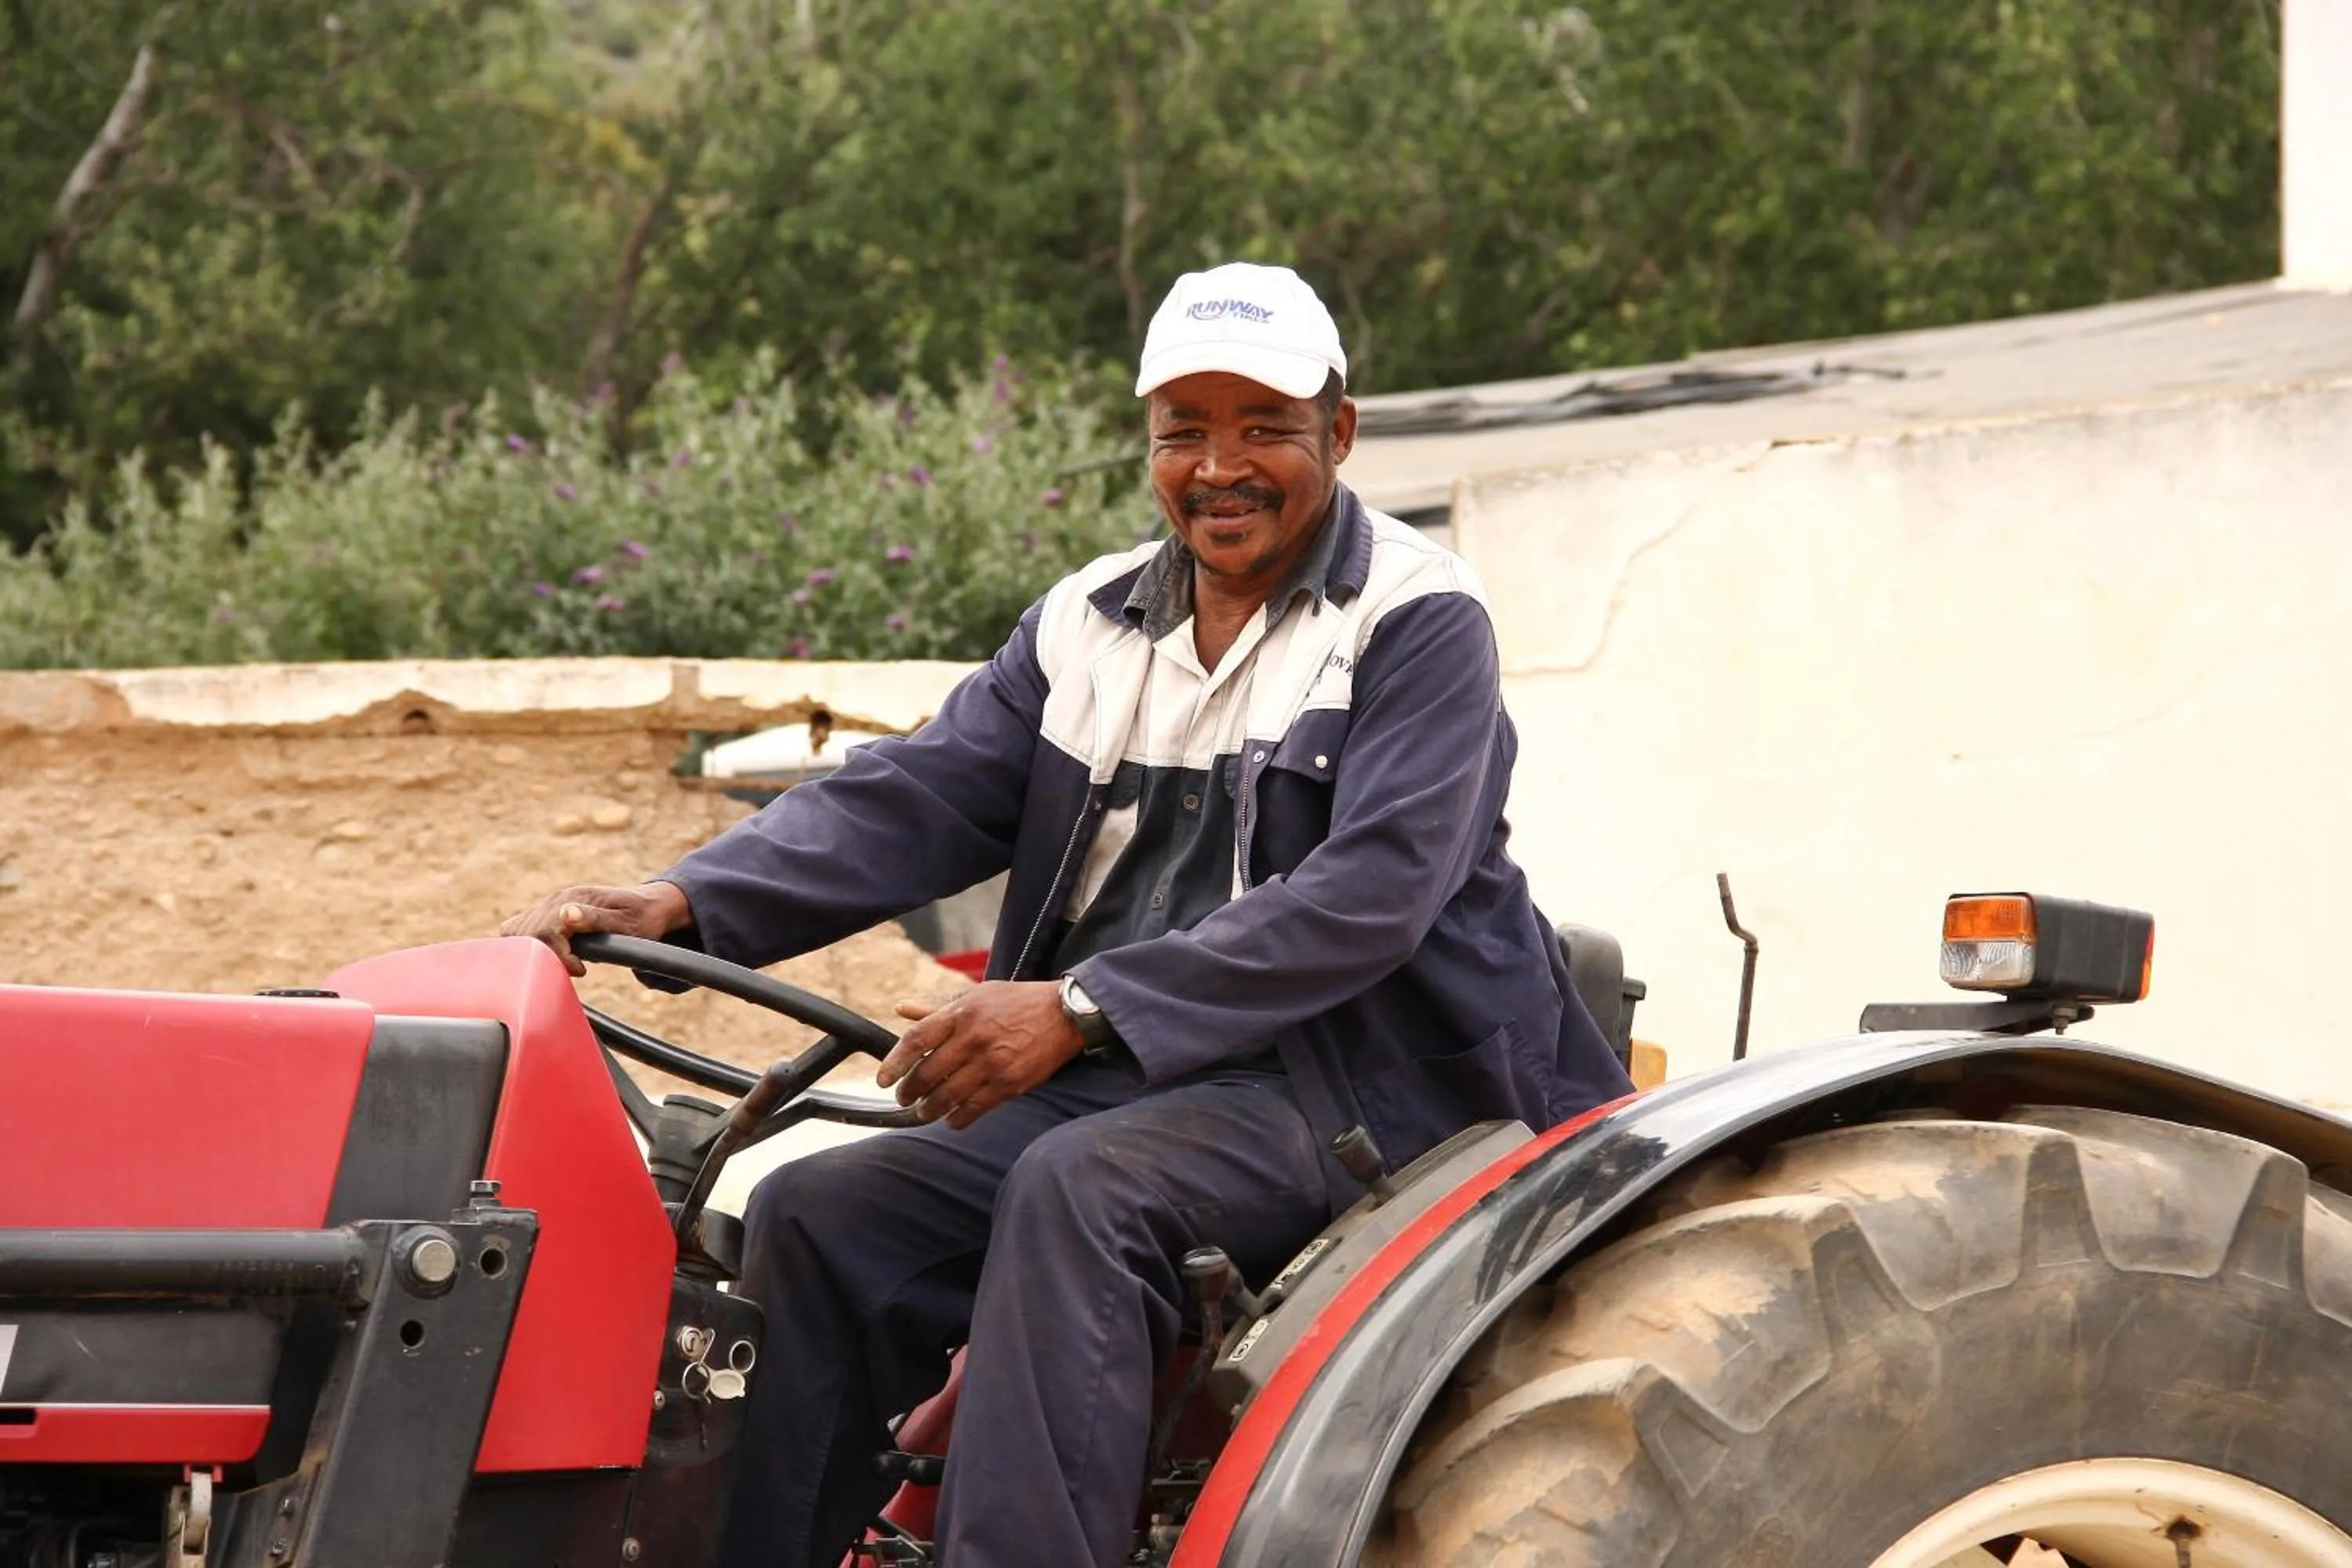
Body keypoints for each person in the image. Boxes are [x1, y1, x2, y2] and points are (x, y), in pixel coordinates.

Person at [504, 260, 1633, 1567]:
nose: (1221, 466)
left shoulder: (1416, 622)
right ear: (1149, 445)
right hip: (1137, 1079)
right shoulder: (1088, 624)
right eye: (1184, 432)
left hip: (1359, 1091)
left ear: (1340, 431)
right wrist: (687, 898)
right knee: (820, 1214)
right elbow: (909, 797)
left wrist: (1082, 1007)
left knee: (1078, 1189)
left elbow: (1371, 895)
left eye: (1264, 426)